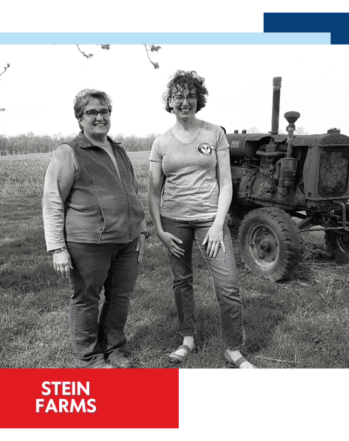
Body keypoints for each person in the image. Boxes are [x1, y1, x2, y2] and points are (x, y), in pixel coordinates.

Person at [148, 71, 255, 369]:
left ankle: (233, 349)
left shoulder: (214, 134)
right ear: (170, 102)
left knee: (228, 284)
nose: (185, 102)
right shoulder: (161, 143)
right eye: (178, 97)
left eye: (191, 96)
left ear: (199, 100)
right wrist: (158, 230)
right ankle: (187, 339)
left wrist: (219, 223)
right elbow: (153, 192)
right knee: (182, 280)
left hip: (210, 220)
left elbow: (225, 183)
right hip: (174, 222)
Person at [42, 89, 147, 369]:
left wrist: (142, 231)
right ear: (80, 118)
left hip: (127, 241)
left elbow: (133, 193)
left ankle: (113, 349)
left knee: (120, 298)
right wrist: (58, 248)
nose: (100, 117)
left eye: (105, 111)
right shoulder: (69, 152)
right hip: (87, 243)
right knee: (86, 299)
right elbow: (53, 199)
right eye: (92, 112)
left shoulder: (119, 150)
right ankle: (88, 357)